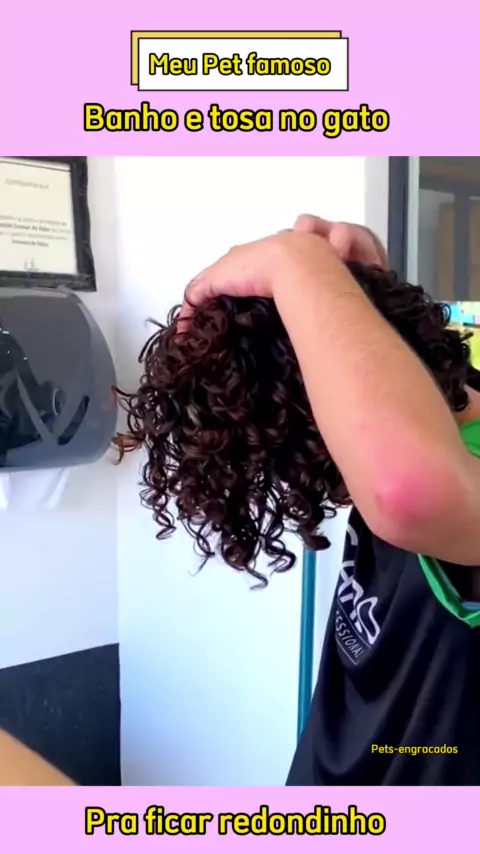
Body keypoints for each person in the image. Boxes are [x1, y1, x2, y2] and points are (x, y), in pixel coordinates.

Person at [182, 214, 480, 785]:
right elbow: (408, 399)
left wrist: (294, 263)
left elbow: (405, 488)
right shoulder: (443, 412)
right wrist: (364, 294)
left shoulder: (444, 474)